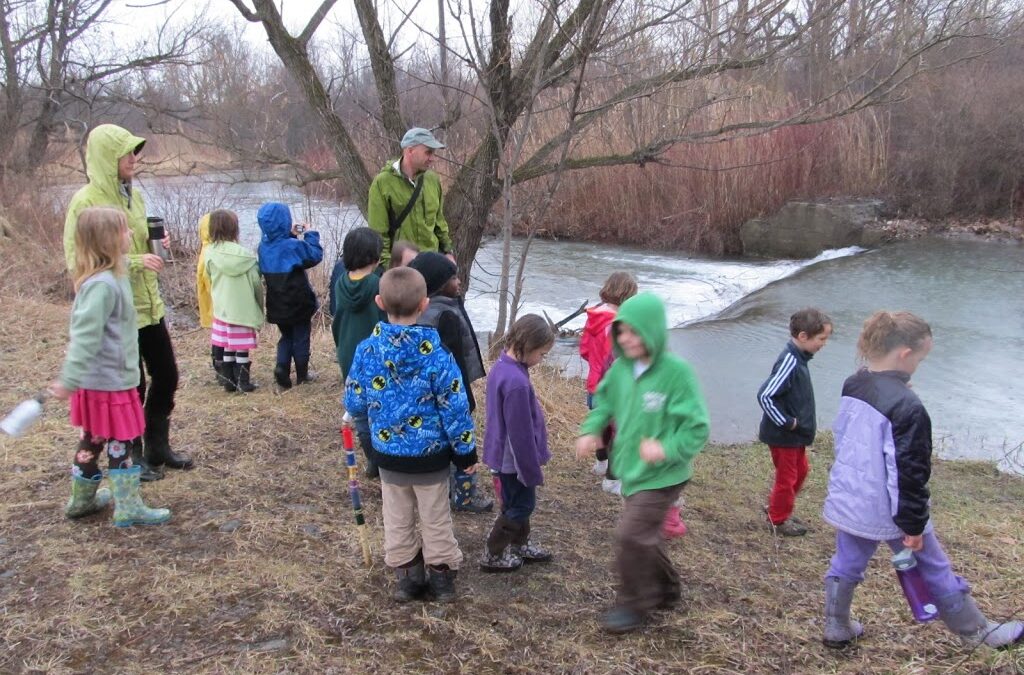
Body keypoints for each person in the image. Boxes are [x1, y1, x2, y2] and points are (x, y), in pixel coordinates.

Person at [821, 311, 1024, 650]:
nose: (919, 364)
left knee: (847, 561)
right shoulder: (908, 407)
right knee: (934, 565)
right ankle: (977, 632)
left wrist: (897, 387)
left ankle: (836, 625)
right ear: (904, 354)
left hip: (852, 497)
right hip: (893, 508)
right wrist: (913, 524)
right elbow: (909, 472)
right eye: (920, 358)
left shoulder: (855, 383)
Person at [63, 123, 191, 482]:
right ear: (107, 156)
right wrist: (134, 261)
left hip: (149, 304)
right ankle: (131, 456)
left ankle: (157, 446)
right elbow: (78, 262)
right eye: (127, 152)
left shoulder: (133, 194)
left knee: (167, 375)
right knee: (133, 385)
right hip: (117, 310)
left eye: (136, 151)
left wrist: (157, 242)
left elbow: (135, 241)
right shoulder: (85, 201)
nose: (134, 158)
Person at [575, 293, 710, 634]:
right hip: (632, 471)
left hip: (665, 474)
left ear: (652, 331)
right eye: (621, 333)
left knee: (630, 535)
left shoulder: (676, 373)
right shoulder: (621, 369)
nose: (626, 339)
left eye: (634, 332)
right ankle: (668, 589)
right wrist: (591, 431)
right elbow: (603, 403)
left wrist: (665, 448)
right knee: (645, 534)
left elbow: (697, 427)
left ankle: (635, 604)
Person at [344, 267, 478, 604]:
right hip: (431, 460)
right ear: (424, 304)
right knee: (435, 518)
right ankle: (442, 579)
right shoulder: (438, 355)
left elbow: (355, 400)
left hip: (388, 456)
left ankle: (407, 578)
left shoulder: (366, 351)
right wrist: (466, 454)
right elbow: (455, 409)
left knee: (397, 517)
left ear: (379, 302)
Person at [54, 207, 171, 527]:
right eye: (123, 231)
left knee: (93, 439)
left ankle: (83, 500)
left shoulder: (113, 277)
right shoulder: (102, 285)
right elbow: (84, 338)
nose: (130, 234)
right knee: (119, 443)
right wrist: (69, 378)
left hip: (105, 381)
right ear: (107, 240)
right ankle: (127, 506)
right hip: (108, 384)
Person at [407, 252, 492, 514]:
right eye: (453, 277)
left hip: (432, 394)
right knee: (460, 444)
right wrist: (465, 396)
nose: (459, 282)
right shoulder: (443, 315)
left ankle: (445, 490)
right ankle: (465, 496)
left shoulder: (433, 308)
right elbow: (453, 363)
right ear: (436, 283)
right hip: (453, 391)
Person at [479, 314, 555, 572]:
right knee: (522, 504)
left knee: (515, 503)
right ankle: (493, 552)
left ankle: (520, 544)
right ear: (528, 346)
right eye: (542, 354)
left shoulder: (503, 367)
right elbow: (519, 435)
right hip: (514, 461)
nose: (541, 360)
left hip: (502, 455)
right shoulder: (516, 382)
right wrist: (530, 468)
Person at [757, 308, 832, 537]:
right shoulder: (790, 360)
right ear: (803, 336)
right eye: (822, 339)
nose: (824, 344)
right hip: (785, 436)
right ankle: (777, 520)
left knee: (801, 471)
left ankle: (781, 508)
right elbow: (765, 395)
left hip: (796, 435)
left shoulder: (800, 358)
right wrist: (787, 423)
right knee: (787, 477)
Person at [332, 227, 386, 475]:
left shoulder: (341, 282)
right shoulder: (377, 284)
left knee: (360, 411)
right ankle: (381, 458)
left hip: (347, 353)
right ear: (374, 257)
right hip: (374, 355)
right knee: (380, 408)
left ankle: (372, 461)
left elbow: (336, 318)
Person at [580, 271, 637, 494]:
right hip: (613, 389)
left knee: (601, 426)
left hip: (594, 385)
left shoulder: (593, 317)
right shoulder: (619, 324)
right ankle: (612, 479)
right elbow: (619, 359)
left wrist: (595, 365)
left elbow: (584, 350)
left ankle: (600, 463)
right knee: (618, 432)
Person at [256, 202, 323, 390]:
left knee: (286, 337)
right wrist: (310, 234)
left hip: (277, 305)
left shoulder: (263, 248)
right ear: (285, 221)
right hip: (298, 303)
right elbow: (315, 255)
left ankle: (281, 368)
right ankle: (302, 375)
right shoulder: (293, 247)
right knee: (301, 336)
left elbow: (279, 249)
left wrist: (290, 234)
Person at [367, 128, 454, 268]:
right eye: (428, 152)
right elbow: (378, 234)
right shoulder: (382, 183)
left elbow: (439, 223)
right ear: (410, 151)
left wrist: (448, 252)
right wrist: (390, 269)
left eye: (433, 153)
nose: (433, 158)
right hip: (402, 267)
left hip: (432, 264)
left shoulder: (432, 179)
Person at [205, 209, 264, 393]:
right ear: (235, 229)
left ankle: (229, 381)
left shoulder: (209, 253)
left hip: (222, 309)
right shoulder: (245, 256)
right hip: (243, 310)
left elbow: (208, 277)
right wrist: (259, 306)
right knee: (242, 349)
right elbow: (256, 284)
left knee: (228, 346)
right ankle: (243, 382)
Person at [196, 212, 221, 382]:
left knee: (218, 336)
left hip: (212, 304)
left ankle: (220, 366)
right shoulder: (214, 253)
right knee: (222, 339)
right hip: (219, 304)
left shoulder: (205, 250)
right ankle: (222, 369)